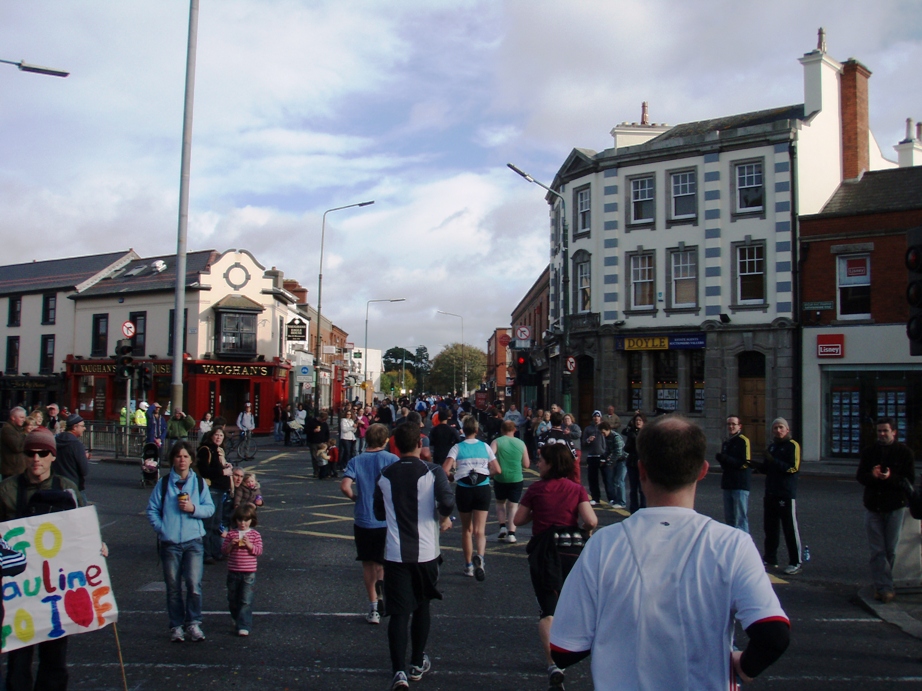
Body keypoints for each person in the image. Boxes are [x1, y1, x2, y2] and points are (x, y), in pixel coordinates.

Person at [550, 415, 791, 689]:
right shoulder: (732, 544)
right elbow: (773, 634)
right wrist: (745, 667)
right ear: (702, 470)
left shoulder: (604, 544)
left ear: (641, 470)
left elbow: (564, 648)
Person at [0, 427, 107, 690]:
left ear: (52, 456)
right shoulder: (7, 489)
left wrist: (97, 545)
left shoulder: (67, 488)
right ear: (24, 456)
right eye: (30, 452)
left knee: (55, 660)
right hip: (20, 592)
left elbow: (82, 529)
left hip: (55, 591)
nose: (36, 458)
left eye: (43, 452)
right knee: (18, 661)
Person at [373, 422, 454, 690]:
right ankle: (417, 662)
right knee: (422, 606)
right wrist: (442, 518)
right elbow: (448, 501)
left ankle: (398, 671)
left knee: (398, 614)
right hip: (427, 552)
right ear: (420, 444)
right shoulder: (432, 472)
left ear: (395, 445)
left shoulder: (385, 474)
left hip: (395, 553)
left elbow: (378, 512)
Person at [514, 443, 597, 690]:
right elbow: (591, 520)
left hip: (545, 551)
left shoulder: (537, 489)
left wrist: (535, 514)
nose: (538, 464)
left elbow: (518, 519)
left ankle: (554, 664)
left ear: (551, 464)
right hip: (571, 550)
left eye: (542, 460)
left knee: (548, 609)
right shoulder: (576, 489)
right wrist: (585, 530)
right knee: (569, 601)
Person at [146, 441, 215, 642]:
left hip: (193, 541)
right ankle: (176, 625)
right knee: (173, 587)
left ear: (192, 460)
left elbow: (209, 508)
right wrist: (163, 528)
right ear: (173, 460)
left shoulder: (199, 483)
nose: (182, 460)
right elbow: (152, 509)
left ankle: (193, 623)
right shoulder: (164, 483)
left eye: (185, 456)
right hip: (171, 542)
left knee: (194, 585)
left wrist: (193, 509)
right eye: (178, 456)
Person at [340, 423, 400, 624]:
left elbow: (345, 486)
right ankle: (382, 586)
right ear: (385, 440)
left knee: (367, 562)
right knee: (382, 561)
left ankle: (373, 607)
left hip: (364, 517)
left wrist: (354, 497)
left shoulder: (356, 460)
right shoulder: (392, 459)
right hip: (386, 518)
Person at [856, 417, 915, 603]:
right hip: (873, 506)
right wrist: (872, 476)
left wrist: (890, 477)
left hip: (895, 506)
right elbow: (860, 477)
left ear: (894, 432)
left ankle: (884, 583)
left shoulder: (904, 452)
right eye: (879, 431)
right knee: (877, 550)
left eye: (885, 431)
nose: (882, 434)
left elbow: (909, 480)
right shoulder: (869, 452)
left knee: (891, 549)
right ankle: (884, 588)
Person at [444, 416, 500, 581]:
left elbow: (444, 469)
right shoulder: (485, 446)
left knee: (466, 530)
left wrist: (454, 477)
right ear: (476, 430)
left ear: (463, 431)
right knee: (480, 530)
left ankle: (468, 565)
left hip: (464, 489)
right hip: (482, 488)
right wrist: (484, 474)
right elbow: (497, 469)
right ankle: (480, 559)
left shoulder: (457, 447)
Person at [754, 417, 803, 575]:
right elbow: (768, 469)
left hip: (785, 493)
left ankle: (795, 562)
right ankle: (770, 558)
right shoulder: (772, 446)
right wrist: (755, 466)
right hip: (770, 493)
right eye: (775, 428)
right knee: (770, 528)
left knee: (789, 529)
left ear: (787, 430)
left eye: (781, 427)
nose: (778, 430)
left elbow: (792, 468)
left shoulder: (792, 446)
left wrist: (773, 461)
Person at [221, 502, 263, 636]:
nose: (243, 523)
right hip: (233, 571)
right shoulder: (232, 534)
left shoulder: (255, 535)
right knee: (232, 598)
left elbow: (258, 551)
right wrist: (231, 546)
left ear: (252, 521)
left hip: (249, 572)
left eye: (246, 520)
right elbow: (224, 551)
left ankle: (244, 625)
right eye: (240, 520)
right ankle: (236, 617)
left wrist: (250, 545)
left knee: (246, 600)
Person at [197, 427, 233, 563]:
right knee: (209, 522)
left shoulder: (219, 451)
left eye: (221, 436)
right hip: (211, 489)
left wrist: (225, 466)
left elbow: (217, 467)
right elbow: (205, 470)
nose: (219, 437)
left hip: (220, 490)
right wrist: (222, 472)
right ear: (211, 436)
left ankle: (216, 551)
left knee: (217, 523)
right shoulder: (206, 450)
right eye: (216, 435)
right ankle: (207, 553)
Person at [491, 420, 530, 543]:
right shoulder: (521, 443)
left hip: (500, 477)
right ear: (514, 430)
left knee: (500, 503)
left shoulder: (497, 442)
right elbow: (526, 464)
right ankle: (512, 533)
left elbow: (490, 457)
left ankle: (502, 527)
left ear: (502, 430)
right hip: (516, 478)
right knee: (513, 505)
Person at [716, 415, 752, 532]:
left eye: (733, 424)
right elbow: (725, 465)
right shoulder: (726, 442)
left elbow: (745, 463)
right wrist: (722, 460)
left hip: (740, 483)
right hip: (728, 483)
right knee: (729, 518)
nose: (731, 426)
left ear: (739, 426)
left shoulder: (743, 441)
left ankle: (744, 543)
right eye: (729, 424)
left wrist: (727, 459)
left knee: (741, 518)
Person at [53, 414, 90, 502]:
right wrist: (84, 458)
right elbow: (85, 470)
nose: (84, 428)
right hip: (74, 486)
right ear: (74, 427)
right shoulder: (76, 445)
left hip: (55, 485)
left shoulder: (55, 440)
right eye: (82, 426)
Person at [581, 410, 608, 507]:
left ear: (600, 417)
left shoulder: (604, 427)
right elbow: (583, 442)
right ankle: (595, 498)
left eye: (598, 416)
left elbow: (608, 440)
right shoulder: (588, 429)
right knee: (593, 479)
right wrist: (588, 440)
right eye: (594, 416)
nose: (596, 418)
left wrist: (606, 453)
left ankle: (611, 498)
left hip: (602, 455)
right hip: (592, 456)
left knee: (606, 478)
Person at [623, 412, 647, 513]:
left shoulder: (646, 433)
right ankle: (633, 509)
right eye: (636, 420)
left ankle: (643, 508)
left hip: (643, 462)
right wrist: (632, 438)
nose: (638, 422)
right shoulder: (631, 432)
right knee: (633, 489)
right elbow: (626, 448)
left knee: (642, 489)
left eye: (640, 420)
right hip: (632, 462)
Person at [598, 420, 626, 508]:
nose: (603, 434)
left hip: (623, 460)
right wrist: (603, 457)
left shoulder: (616, 437)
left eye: (603, 432)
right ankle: (616, 500)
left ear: (608, 429)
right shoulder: (607, 437)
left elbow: (618, 452)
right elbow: (608, 450)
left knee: (619, 480)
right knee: (614, 481)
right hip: (617, 460)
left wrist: (610, 462)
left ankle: (622, 502)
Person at [1, 406, 27, 479]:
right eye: (21, 417)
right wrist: (27, 436)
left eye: (24, 417)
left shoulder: (18, 429)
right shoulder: (7, 429)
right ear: (13, 418)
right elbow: (17, 447)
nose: (24, 420)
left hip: (19, 469)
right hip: (12, 471)